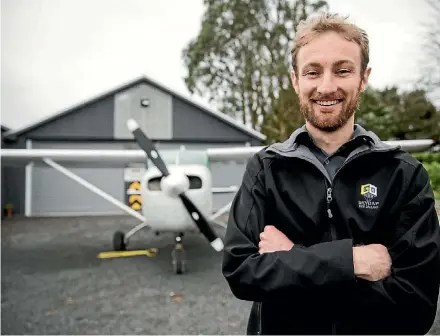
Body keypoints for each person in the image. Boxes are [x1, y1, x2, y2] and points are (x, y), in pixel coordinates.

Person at [221, 12, 440, 335]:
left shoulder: (404, 174)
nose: (327, 86)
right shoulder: (266, 169)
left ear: (363, 78)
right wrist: (352, 262)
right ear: (296, 80)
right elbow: (241, 271)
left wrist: (291, 259)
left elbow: (415, 308)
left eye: (343, 70)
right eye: (313, 72)